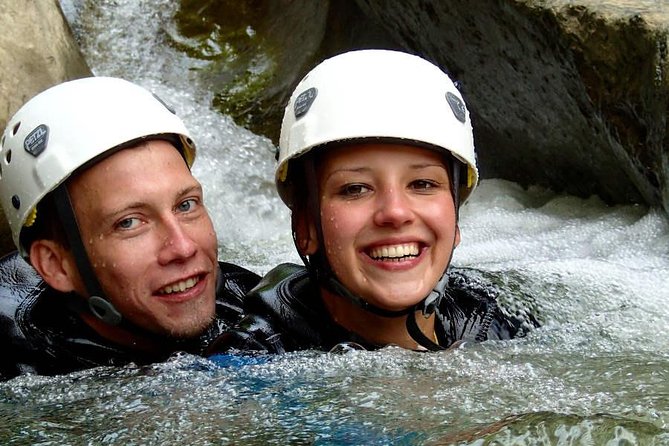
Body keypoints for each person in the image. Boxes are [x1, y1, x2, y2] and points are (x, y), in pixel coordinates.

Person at [209, 49, 538, 354]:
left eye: (422, 183)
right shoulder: (251, 361)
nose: (395, 212)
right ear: (305, 226)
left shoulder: (493, 319)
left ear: (454, 220)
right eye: (355, 189)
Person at [0, 77, 260, 379]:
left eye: (186, 205)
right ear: (56, 264)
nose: (183, 247)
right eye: (130, 223)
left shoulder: (252, 304)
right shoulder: (19, 373)